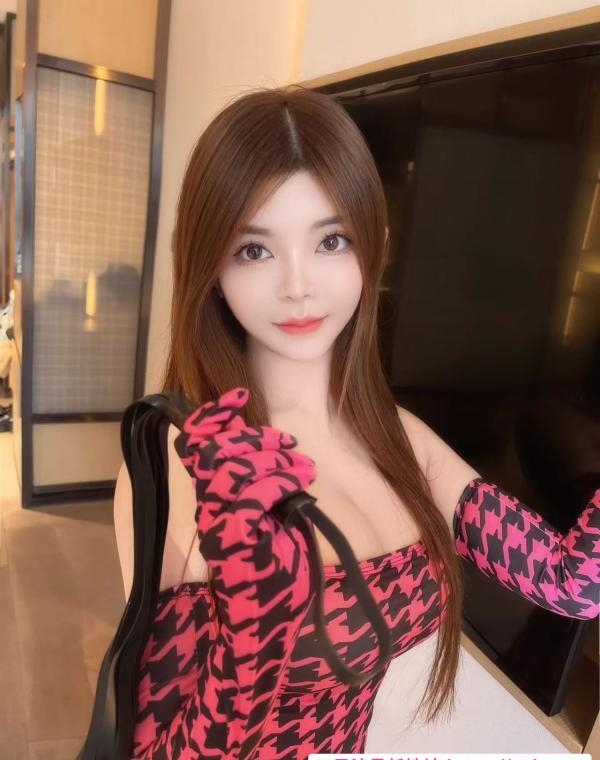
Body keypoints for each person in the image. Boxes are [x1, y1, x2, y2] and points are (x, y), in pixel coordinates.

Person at [112, 84, 600, 760]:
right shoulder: (184, 465)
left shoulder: (399, 438)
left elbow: (572, 584)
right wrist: (252, 645)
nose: (298, 285)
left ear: (376, 246)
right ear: (208, 263)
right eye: (254, 250)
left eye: (331, 241)